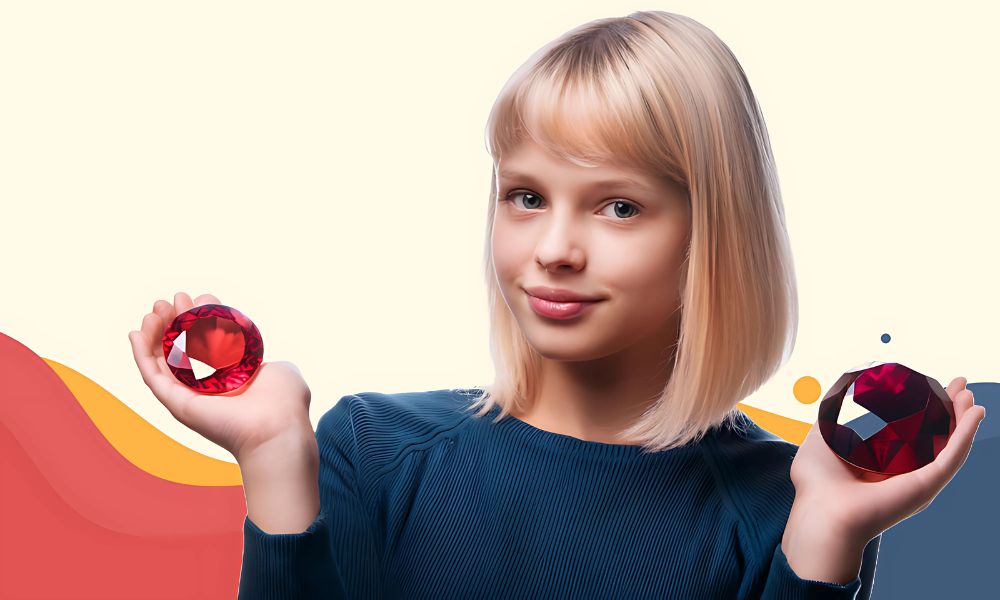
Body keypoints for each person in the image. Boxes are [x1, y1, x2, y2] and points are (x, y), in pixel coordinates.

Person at [128, 10, 985, 600]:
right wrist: (276, 460)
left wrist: (827, 535)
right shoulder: (372, 453)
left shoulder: (784, 499)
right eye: (527, 196)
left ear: (715, 234)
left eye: (619, 206)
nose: (554, 249)